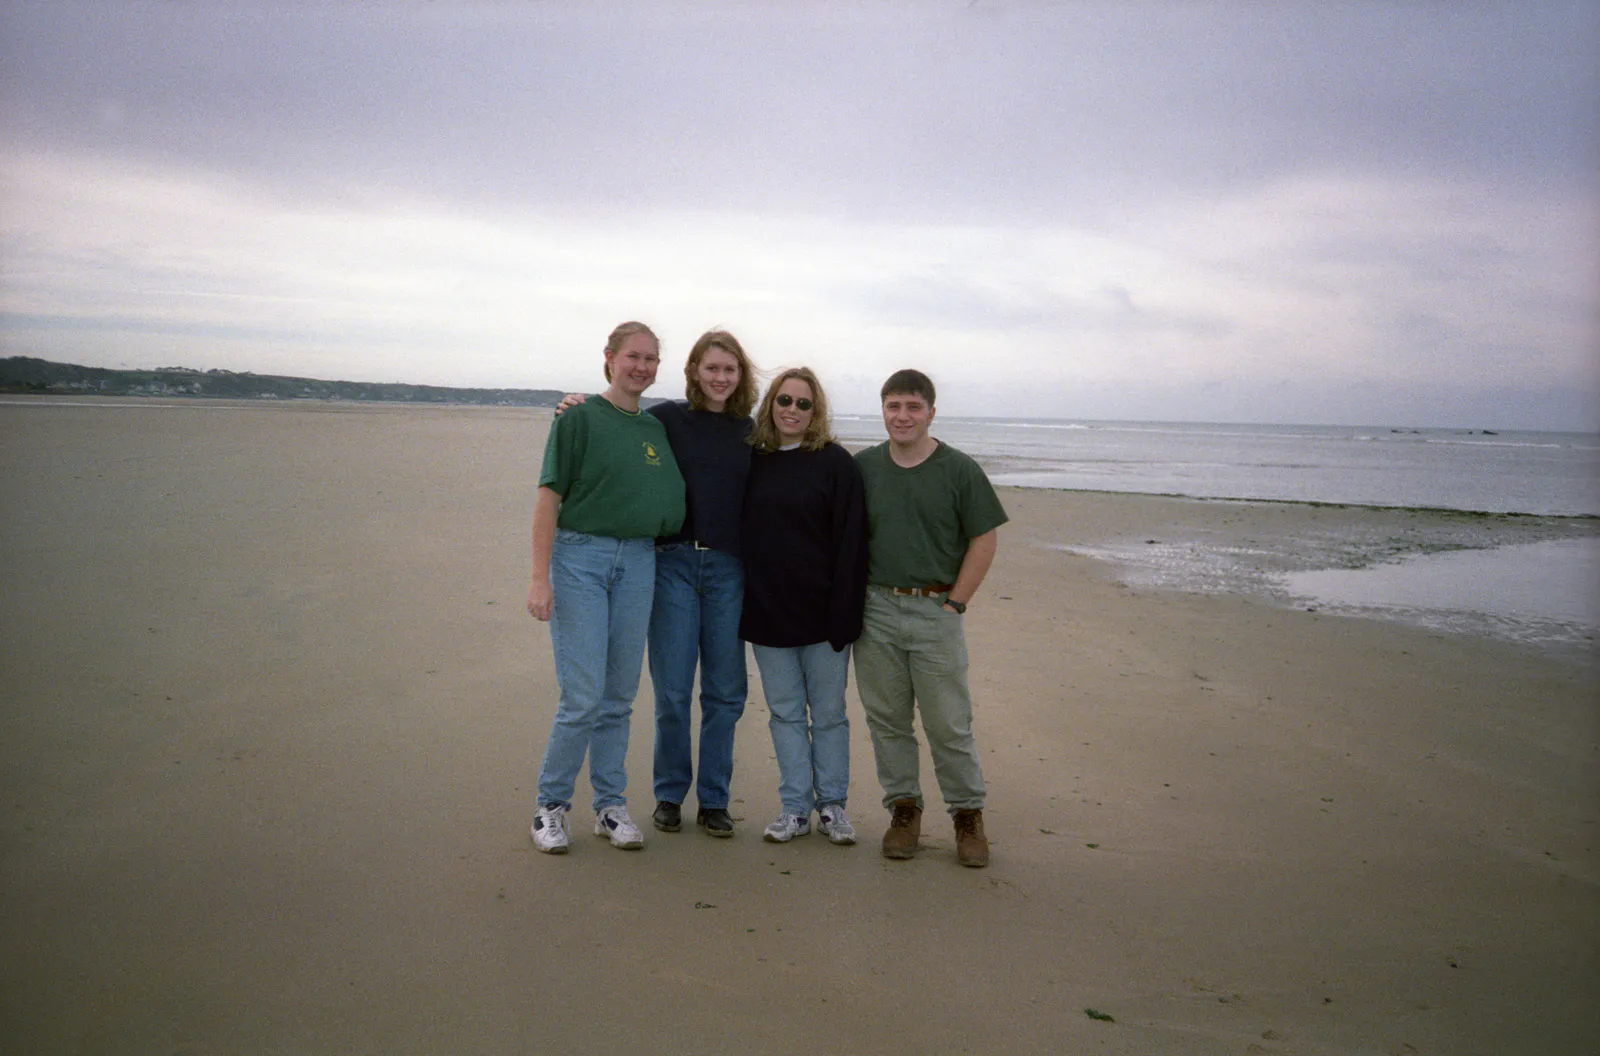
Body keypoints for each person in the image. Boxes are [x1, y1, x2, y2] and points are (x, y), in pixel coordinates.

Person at [556, 330, 758, 838]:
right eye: (711, 368)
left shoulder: (751, 431)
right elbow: (613, 421)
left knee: (725, 692)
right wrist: (571, 405)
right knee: (671, 690)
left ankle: (714, 800)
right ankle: (669, 794)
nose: (719, 377)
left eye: (729, 370)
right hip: (670, 564)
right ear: (693, 371)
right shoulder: (666, 419)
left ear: (740, 376)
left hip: (729, 570)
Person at [527, 321, 685, 854]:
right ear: (610, 358)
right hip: (581, 560)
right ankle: (550, 807)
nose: (642, 367)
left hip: (640, 560)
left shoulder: (655, 429)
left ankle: (610, 806)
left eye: (651, 360)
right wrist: (538, 578)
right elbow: (549, 496)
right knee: (583, 697)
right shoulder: (578, 419)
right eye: (633, 357)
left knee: (619, 695)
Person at [853, 369, 1007, 867]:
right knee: (887, 721)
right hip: (875, 609)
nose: (902, 416)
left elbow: (984, 538)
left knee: (948, 724)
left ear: (931, 413)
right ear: (883, 411)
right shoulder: (864, 468)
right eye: (893, 406)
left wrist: (956, 602)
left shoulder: (959, 470)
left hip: (936, 609)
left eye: (913, 407)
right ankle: (904, 812)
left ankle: (967, 817)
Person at [739, 367, 868, 846]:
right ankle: (795, 808)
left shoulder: (835, 463)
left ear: (817, 412)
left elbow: (852, 543)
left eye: (803, 404)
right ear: (770, 404)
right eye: (784, 400)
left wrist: (845, 614)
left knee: (830, 714)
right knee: (786, 714)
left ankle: (832, 806)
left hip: (824, 617)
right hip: (767, 613)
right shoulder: (753, 458)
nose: (792, 410)